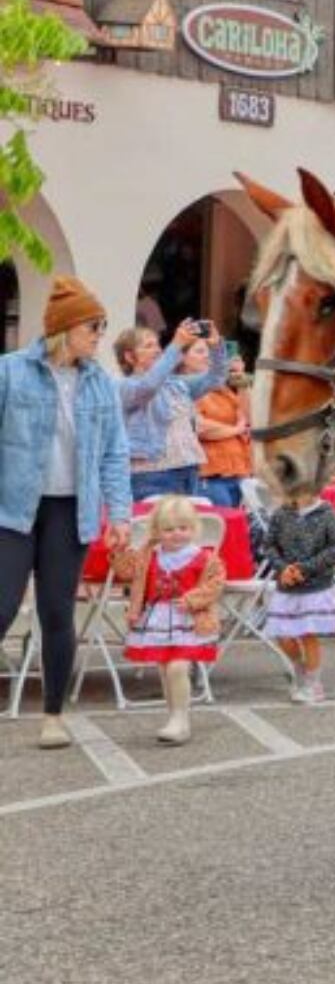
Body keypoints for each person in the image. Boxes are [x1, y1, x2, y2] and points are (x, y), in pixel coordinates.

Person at [0, 277, 133, 750]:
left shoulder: (101, 385)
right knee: (2, 607)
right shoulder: (11, 372)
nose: (99, 334)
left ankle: (53, 715)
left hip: (70, 511)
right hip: (12, 510)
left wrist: (120, 516)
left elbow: (115, 454)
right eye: (92, 326)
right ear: (65, 328)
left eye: (101, 326)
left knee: (57, 613)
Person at [111, 494, 224, 745]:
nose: (177, 534)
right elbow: (125, 572)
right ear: (156, 531)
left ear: (194, 528)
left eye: (183, 528)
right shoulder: (148, 554)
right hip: (156, 618)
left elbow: (215, 584)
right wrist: (120, 550)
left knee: (177, 667)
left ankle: (181, 718)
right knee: (164, 668)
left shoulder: (203, 557)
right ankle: (174, 716)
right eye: (169, 529)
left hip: (188, 620)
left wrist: (194, 598)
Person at [255, 488, 335, 703]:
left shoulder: (327, 513)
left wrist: (305, 568)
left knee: (308, 634)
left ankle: (313, 682)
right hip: (287, 584)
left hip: (316, 585)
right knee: (283, 634)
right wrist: (283, 568)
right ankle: (300, 668)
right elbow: (269, 545)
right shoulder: (281, 514)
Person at [116, 319, 225, 500]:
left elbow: (216, 379)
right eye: (149, 346)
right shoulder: (123, 386)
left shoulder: (176, 383)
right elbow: (148, 386)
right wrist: (176, 345)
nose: (158, 350)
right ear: (129, 356)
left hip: (189, 471)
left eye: (158, 345)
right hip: (151, 476)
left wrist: (216, 347)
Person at [196, 351, 253, 508]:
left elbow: (249, 418)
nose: (208, 359)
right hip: (212, 477)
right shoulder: (194, 390)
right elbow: (199, 427)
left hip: (239, 472)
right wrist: (236, 429)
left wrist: (241, 380)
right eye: (201, 352)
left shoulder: (224, 390)